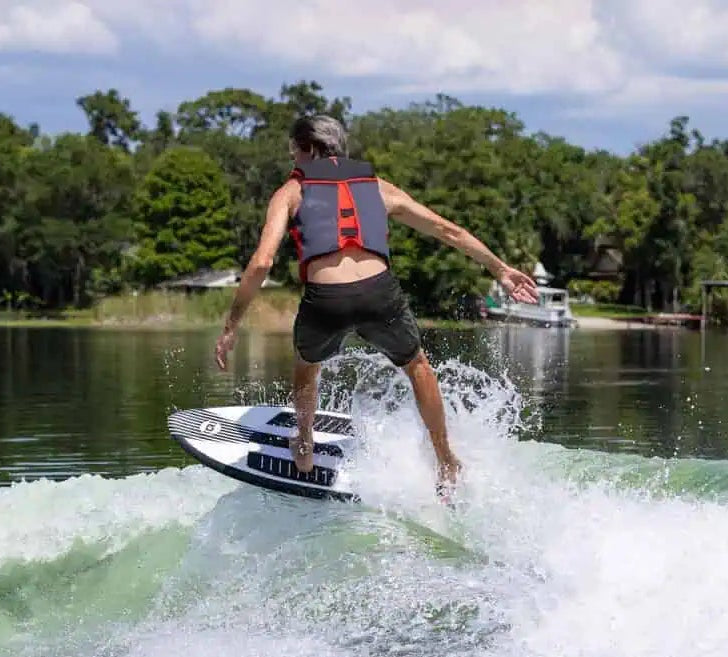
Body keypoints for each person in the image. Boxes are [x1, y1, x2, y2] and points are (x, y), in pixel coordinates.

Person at [213, 114, 539, 498]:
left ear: (311, 150)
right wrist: (500, 269)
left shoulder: (290, 192)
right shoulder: (378, 187)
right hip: (379, 293)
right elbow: (448, 230)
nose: (292, 162)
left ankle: (303, 443)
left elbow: (262, 263)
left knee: (306, 363)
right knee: (417, 366)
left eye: (294, 153)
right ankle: (445, 458)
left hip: (325, 300)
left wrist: (232, 325)